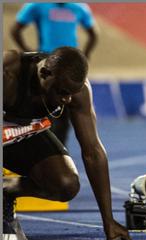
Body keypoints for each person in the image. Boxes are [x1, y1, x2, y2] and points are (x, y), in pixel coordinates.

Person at [2, 47, 129, 240]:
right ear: (45, 74)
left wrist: (108, 221)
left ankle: (7, 189)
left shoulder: (77, 91)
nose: (67, 100)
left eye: (71, 93)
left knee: (66, 184)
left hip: (20, 135)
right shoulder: (8, 73)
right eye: (62, 92)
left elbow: (92, 151)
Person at [11, 2, 99, 145]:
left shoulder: (80, 8)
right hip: (48, 67)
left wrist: (85, 54)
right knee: (42, 112)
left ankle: (58, 152)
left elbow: (93, 33)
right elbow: (15, 29)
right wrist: (29, 53)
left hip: (70, 69)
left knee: (65, 113)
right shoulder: (36, 6)